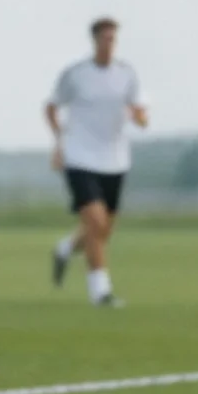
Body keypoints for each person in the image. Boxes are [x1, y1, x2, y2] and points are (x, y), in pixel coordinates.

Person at [46, 17, 147, 306]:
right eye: (105, 38)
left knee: (102, 230)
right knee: (95, 222)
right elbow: (51, 107)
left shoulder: (127, 74)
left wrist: (140, 117)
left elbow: (139, 109)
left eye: (113, 39)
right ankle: (100, 292)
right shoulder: (76, 74)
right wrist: (59, 141)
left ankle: (65, 248)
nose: (109, 43)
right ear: (94, 40)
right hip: (80, 157)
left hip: (115, 160)